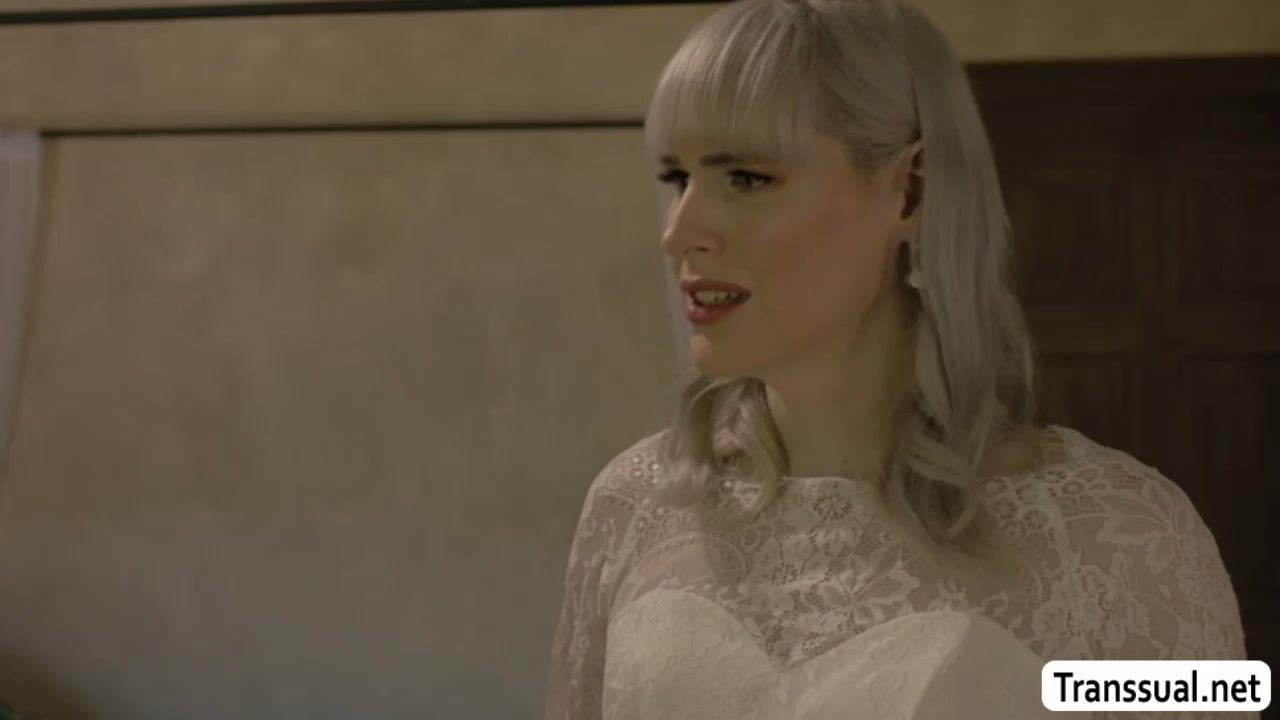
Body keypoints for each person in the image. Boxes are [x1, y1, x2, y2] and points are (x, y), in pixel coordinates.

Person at [543, 0, 1253, 718]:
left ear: (910, 189)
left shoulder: (1120, 539)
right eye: (676, 178)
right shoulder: (633, 506)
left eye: (746, 178)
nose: (680, 232)